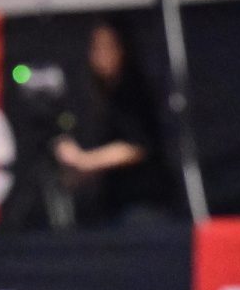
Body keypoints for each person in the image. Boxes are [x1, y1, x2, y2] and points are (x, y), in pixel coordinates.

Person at [57, 18, 174, 226]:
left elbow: (136, 147)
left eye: (108, 46)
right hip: (115, 209)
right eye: (96, 48)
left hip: (144, 208)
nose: (101, 55)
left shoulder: (133, 91)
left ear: (123, 50)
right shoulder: (99, 96)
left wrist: (84, 160)